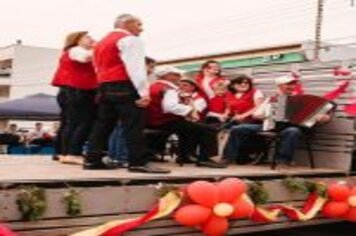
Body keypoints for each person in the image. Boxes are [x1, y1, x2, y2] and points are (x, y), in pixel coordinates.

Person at [85, 14, 170, 173]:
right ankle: (137, 162)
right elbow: (136, 67)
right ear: (127, 24)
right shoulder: (130, 39)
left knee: (103, 125)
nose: (141, 28)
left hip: (105, 85)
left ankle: (92, 160)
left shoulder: (101, 43)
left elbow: (97, 68)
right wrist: (144, 92)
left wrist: (102, 85)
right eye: (139, 24)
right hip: (124, 85)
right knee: (134, 124)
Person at [223, 75, 331, 166]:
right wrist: (266, 115)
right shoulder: (272, 99)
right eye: (288, 84)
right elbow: (256, 115)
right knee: (238, 128)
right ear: (280, 86)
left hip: (290, 128)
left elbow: (323, 116)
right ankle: (228, 157)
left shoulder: (303, 99)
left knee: (293, 131)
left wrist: (324, 118)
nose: (291, 86)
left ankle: (283, 162)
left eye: (293, 84)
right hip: (270, 126)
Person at [146, 65, 226, 168]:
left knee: (190, 128)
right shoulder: (169, 88)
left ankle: (185, 156)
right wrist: (190, 110)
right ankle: (205, 158)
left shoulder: (152, 86)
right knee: (208, 129)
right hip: (165, 122)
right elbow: (170, 107)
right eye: (176, 74)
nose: (179, 76)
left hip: (153, 121)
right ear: (167, 75)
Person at [52, 31, 98, 165]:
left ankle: (63, 152)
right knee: (83, 122)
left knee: (69, 123)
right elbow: (84, 58)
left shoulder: (70, 51)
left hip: (69, 90)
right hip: (78, 90)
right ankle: (73, 153)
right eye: (88, 37)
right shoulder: (76, 50)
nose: (92, 39)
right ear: (77, 40)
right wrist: (99, 47)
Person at [107, 57, 156, 167]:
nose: (151, 71)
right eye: (150, 67)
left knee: (118, 130)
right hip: (131, 103)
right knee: (124, 131)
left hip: (121, 102)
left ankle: (115, 156)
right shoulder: (136, 76)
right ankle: (122, 157)